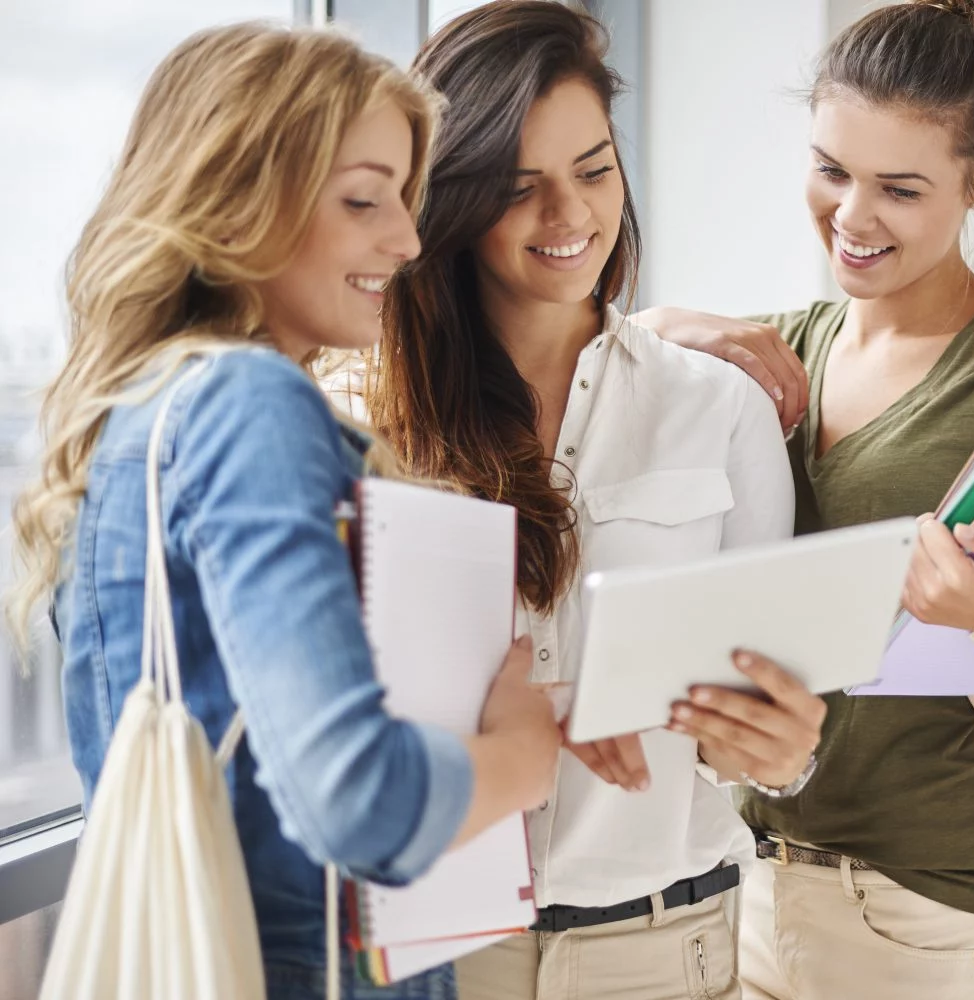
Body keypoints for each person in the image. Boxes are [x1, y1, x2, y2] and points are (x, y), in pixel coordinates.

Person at [4, 24, 561, 999]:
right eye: (362, 200)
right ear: (236, 200)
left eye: (404, 198)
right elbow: (360, 803)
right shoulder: (247, 404)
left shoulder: (138, 414)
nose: (408, 240)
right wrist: (523, 757)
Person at [637, 2, 974, 997]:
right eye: (831, 169)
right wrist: (653, 327)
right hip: (740, 887)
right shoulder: (771, 350)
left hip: (929, 913)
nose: (851, 215)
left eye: (900, 188)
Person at [368, 4, 826, 998]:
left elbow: (759, 736)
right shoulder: (377, 433)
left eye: (593, 168)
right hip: (444, 950)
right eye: (519, 187)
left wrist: (782, 748)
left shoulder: (720, 409)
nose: (569, 216)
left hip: (663, 947)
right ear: (450, 200)